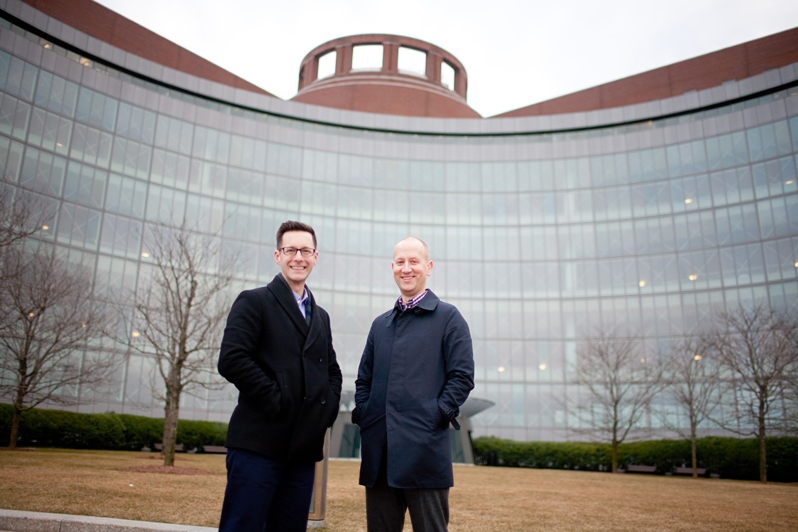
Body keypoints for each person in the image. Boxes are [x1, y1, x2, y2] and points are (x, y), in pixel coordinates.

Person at [217, 221, 342, 532]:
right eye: (290, 250)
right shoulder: (254, 301)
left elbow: (332, 372)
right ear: (277, 255)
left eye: (305, 250)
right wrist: (277, 399)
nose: (298, 257)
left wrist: (325, 413)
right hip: (258, 445)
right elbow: (232, 359)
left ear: (315, 257)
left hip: (302, 452)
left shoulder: (321, 316)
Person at [352, 237, 475, 532]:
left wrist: (435, 414)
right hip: (379, 455)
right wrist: (366, 414)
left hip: (425, 455)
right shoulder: (380, 324)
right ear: (392, 267)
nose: (406, 269)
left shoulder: (449, 318)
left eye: (414, 261)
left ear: (428, 267)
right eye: (400, 262)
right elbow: (363, 379)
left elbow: (462, 377)